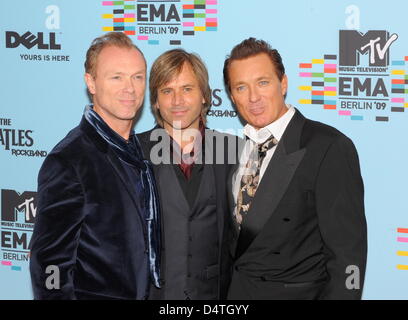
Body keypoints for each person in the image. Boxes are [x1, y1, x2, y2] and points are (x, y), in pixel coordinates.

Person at [223, 38, 367, 299]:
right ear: (232, 96)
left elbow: (348, 255)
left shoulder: (328, 147)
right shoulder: (233, 149)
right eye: (241, 87)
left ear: (284, 83)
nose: (253, 97)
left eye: (263, 82)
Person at [29, 32, 161, 300]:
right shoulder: (69, 161)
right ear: (91, 82)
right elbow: (50, 266)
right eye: (116, 77)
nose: (130, 88)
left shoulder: (140, 152)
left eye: (137, 77)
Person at [137, 49, 239, 299]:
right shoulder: (133, 153)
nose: (177, 101)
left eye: (187, 89)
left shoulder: (236, 151)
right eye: (167, 91)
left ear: (205, 96)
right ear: (155, 101)